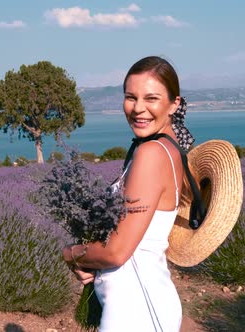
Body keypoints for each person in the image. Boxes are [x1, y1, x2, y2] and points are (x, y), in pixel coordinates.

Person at [62, 56, 196, 332]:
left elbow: (116, 252)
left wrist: (70, 254)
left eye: (151, 98)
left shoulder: (151, 153)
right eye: (130, 97)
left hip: (136, 309)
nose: (138, 109)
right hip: (139, 304)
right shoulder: (165, 150)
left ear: (174, 104)